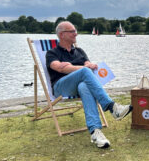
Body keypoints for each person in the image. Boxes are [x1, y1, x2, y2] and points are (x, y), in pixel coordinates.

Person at [46, 21, 132, 149]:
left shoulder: (79, 51)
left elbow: (89, 66)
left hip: (77, 87)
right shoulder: (52, 53)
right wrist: (80, 68)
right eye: (72, 31)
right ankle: (111, 107)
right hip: (61, 87)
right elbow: (60, 68)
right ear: (62, 34)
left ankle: (95, 132)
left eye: (75, 30)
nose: (76, 34)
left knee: (84, 86)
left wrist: (71, 67)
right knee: (85, 71)